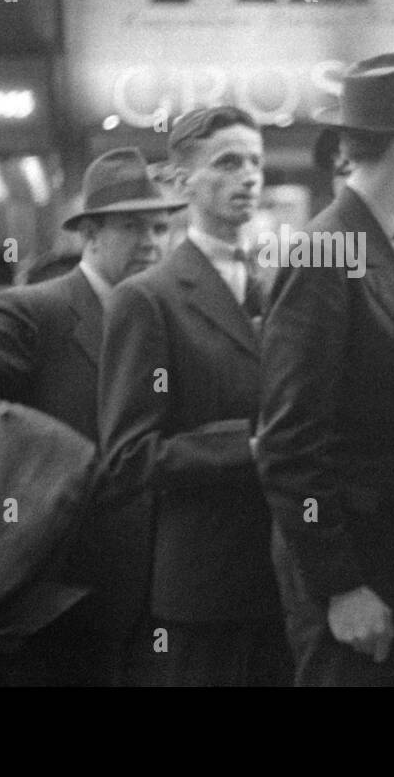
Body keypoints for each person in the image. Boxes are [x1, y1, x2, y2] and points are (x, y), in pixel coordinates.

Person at [0, 146, 185, 685]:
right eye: (133, 229)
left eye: (159, 229)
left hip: (156, 586)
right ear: (90, 234)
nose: (151, 245)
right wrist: (47, 457)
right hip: (59, 582)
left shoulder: (166, 314)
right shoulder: (38, 310)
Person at [256, 52, 394, 686]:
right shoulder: (327, 250)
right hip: (356, 584)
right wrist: (341, 586)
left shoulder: (386, 242)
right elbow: (289, 441)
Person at [99, 106, 290, 686]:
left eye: (256, 161)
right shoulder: (148, 298)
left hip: (289, 576)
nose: (249, 177)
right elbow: (129, 457)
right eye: (228, 163)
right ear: (181, 182)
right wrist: (250, 449)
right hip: (207, 589)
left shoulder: (278, 281)